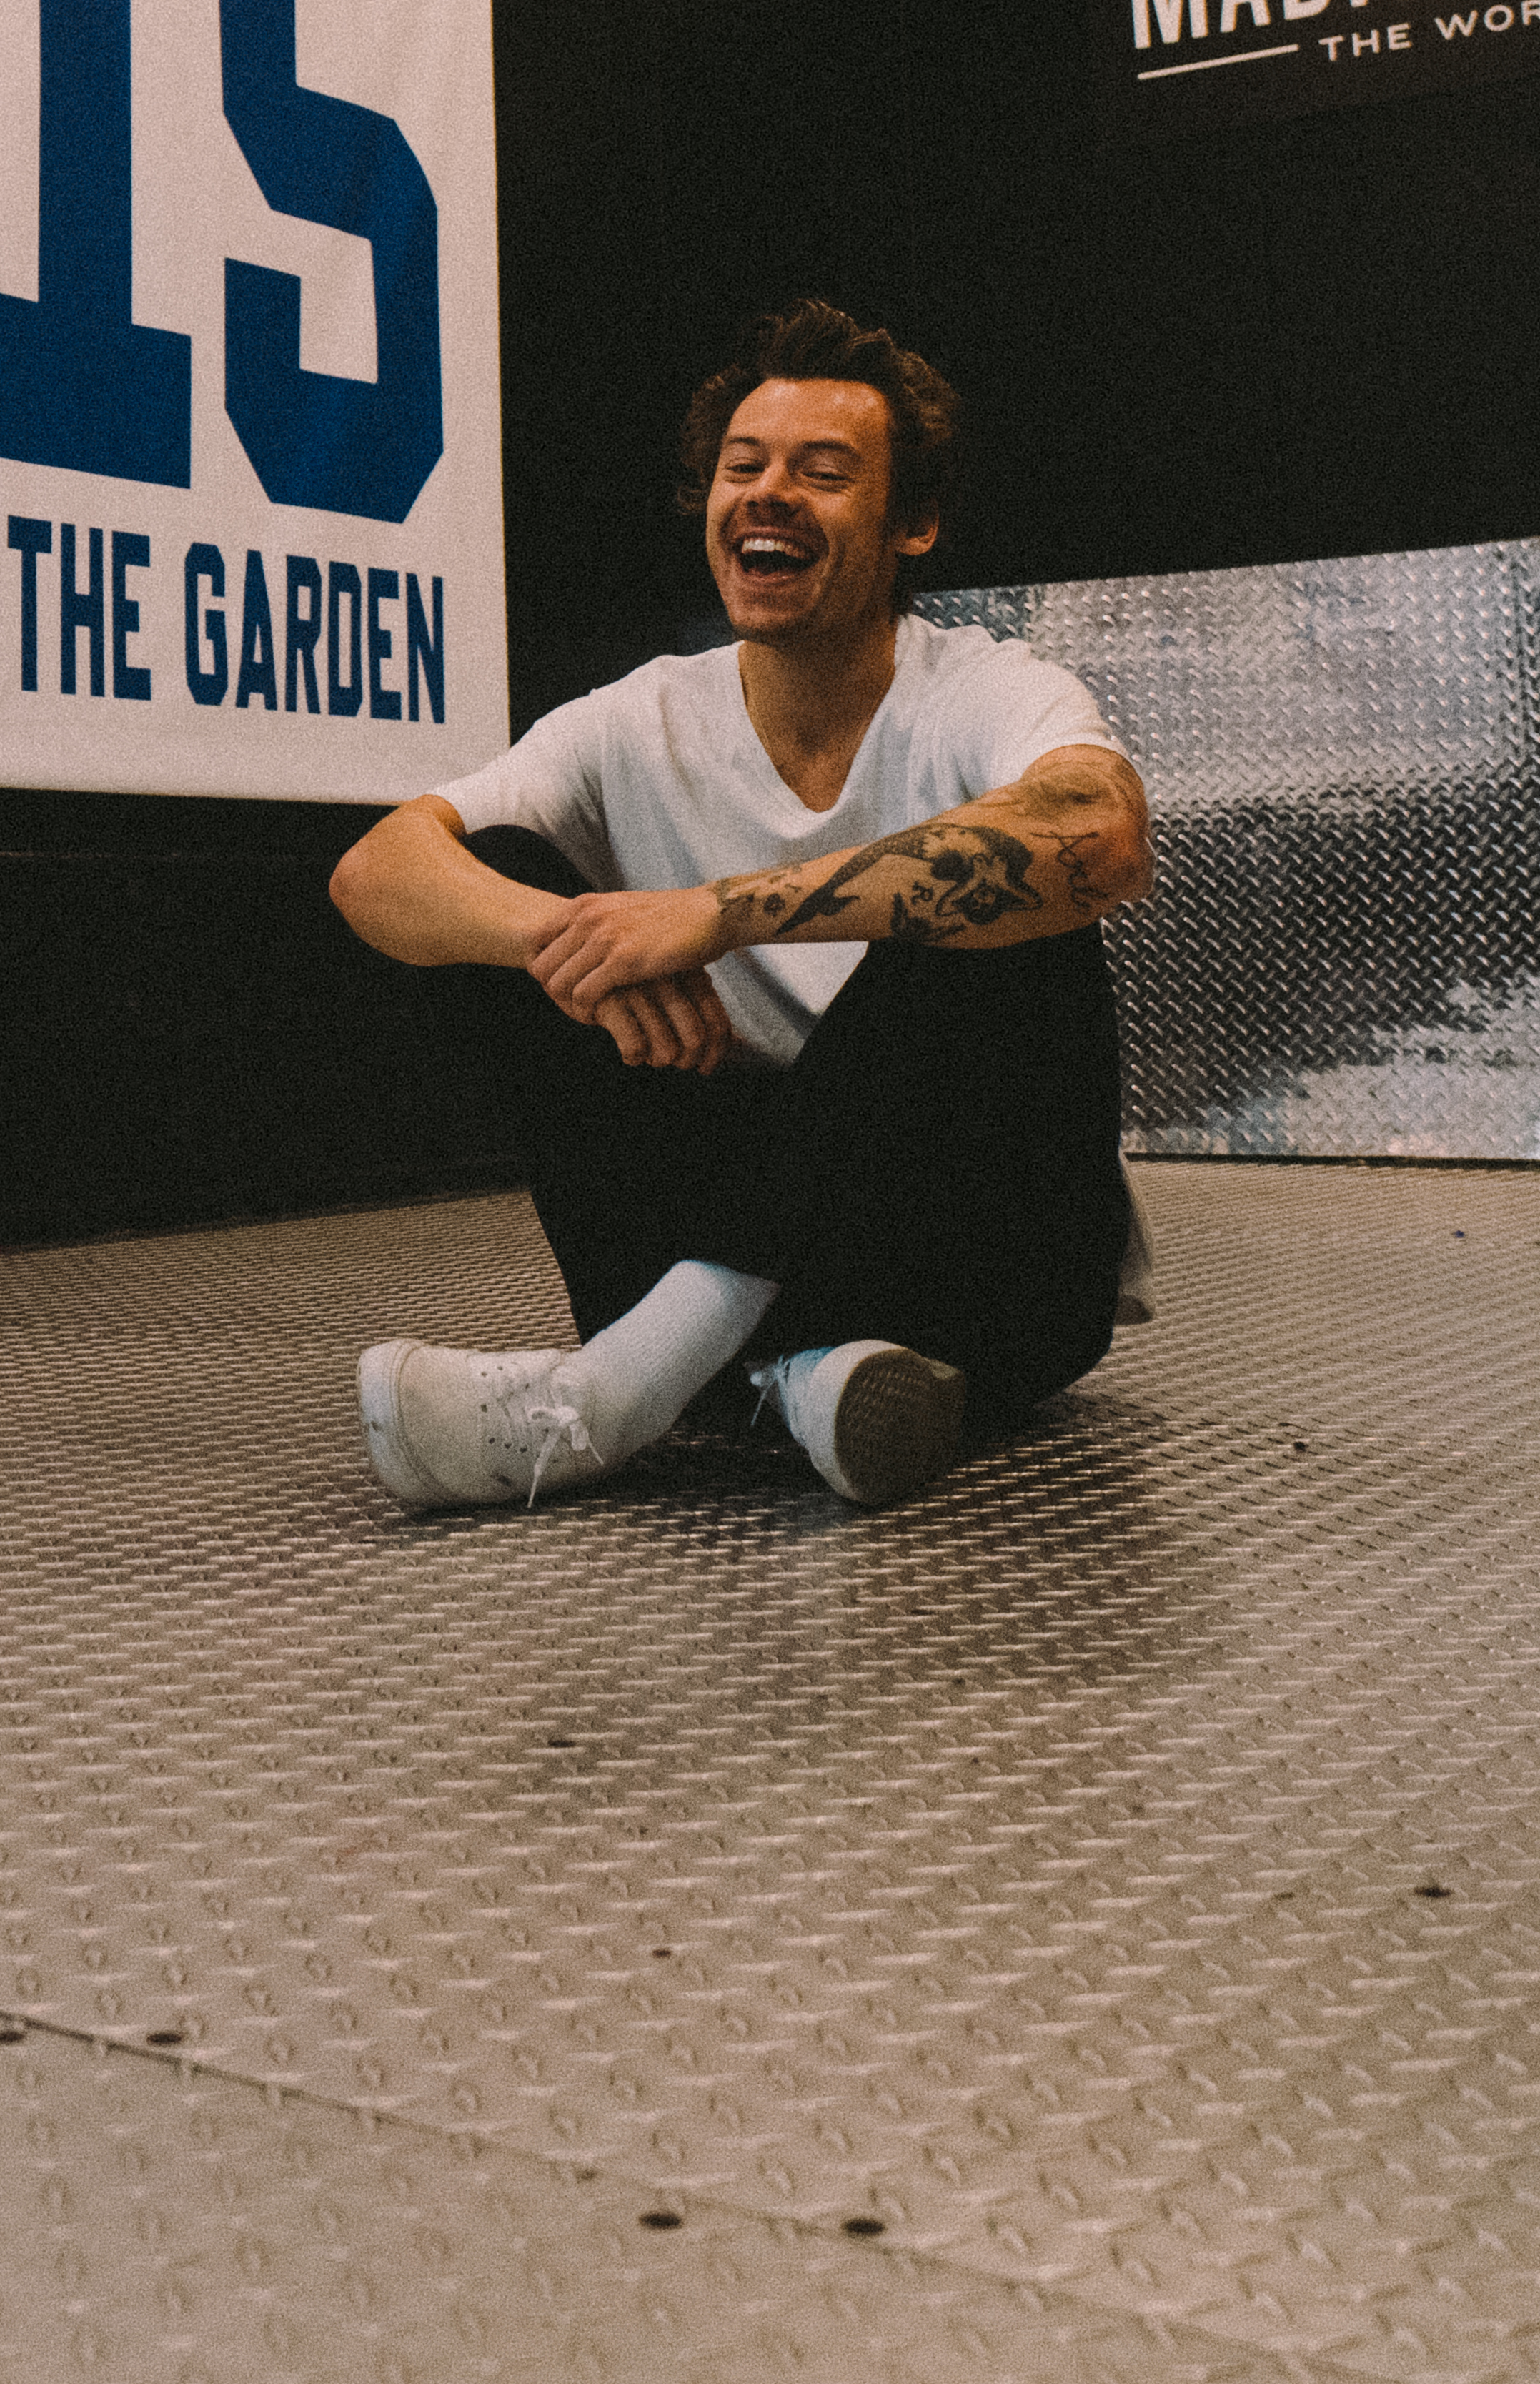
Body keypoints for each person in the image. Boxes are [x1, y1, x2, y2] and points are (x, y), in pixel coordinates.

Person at [326, 301, 1153, 1512]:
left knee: (991, 896)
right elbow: (375, 873)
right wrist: (570, 943)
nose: (768, 495)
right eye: (742, 468)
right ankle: (809, 1377)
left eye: (823, 474)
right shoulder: (641, 716)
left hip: (986, 1269)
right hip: (696, 1223)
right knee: (499, 868)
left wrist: (721, 914)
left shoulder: (986, 690)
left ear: (911, 524)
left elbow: (1101, 835)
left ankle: (620, 1391)